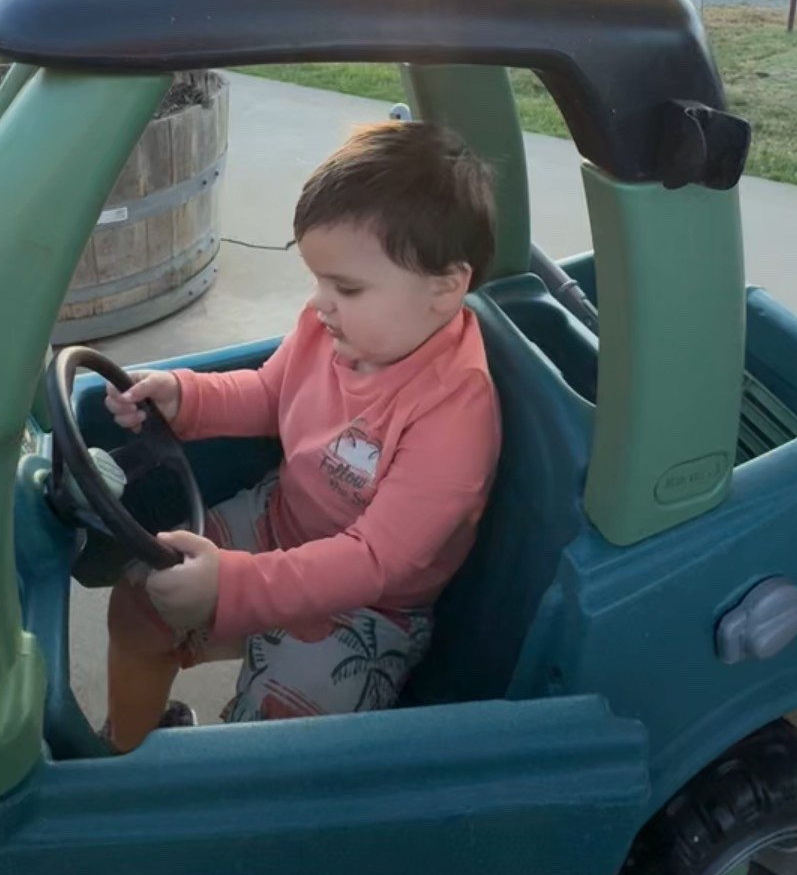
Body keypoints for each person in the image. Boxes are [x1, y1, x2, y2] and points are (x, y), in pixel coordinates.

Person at [104, 118, 501, 752]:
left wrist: (233, 585)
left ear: (446, 288)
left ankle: (204, 790)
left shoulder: (455, 412)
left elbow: (374, 562)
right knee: (140, 596)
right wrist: (185, 396)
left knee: (268, 748)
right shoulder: (328, 328)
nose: (319, 303)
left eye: (346, 287)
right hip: (280, 519)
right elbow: (271, 393)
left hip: (366, 607)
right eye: (317, 279)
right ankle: (129, 746)